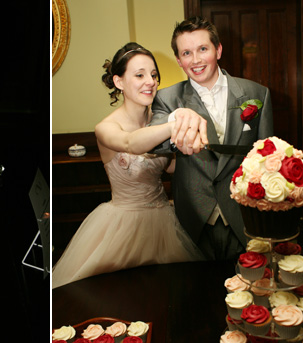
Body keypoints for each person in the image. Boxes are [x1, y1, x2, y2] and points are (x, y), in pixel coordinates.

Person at [52, 42, 207, 289]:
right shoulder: (106, 128)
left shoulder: (158, 119)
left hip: (164, 221)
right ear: (119, 82)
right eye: (139, 75)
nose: (151, 82)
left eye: (154, 75)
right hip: (121, 225)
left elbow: (168, 166)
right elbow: (131, 143)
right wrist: (175, 123)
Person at [150, 16, 274, 260]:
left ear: (218, 50)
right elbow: (157, 144)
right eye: (186, 53)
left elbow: (268, 158)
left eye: (202, 49)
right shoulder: (166, 98)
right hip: (193, 220)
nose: (195, 60)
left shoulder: (256, 93)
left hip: (244, 218)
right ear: (178, 60)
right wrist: (176, 128)